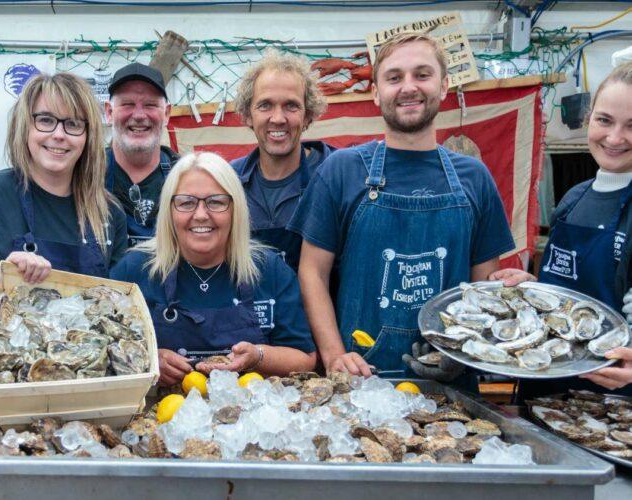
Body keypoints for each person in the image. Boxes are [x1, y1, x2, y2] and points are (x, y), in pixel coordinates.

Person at [288, 33, 515, 380]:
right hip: (360, 379)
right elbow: (312, 273)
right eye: (394, 78)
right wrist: (334, 356)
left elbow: (482, 289)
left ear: (443, 86)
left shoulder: (475, 177)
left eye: (422, 75)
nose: (408, 87)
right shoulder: (342, 170)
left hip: (452, 385)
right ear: (377, 92)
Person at [0, 72, 128, 398]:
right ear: (24, 126)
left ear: (88, 136)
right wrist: (5, 279)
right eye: (45, 120)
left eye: (73, 124)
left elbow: (119, 312)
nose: (59, 135)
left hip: (77, 392)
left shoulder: (108, 214)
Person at [110, 151, 316, 386]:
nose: (200, 215)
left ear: (235, 209)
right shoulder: (134, 271)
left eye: (216, 202)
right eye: (186, 202)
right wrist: (150, 361)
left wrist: (259, 356)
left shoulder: (270, 270)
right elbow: (107, 350)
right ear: (169, 210)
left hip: (248, 414)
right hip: (160, 417)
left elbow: (305, 358)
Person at [492, 62, 632, 394]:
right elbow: (568, 295)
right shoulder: (573, 198)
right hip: (544, 380)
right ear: (588, 119)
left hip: (609, 397)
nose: (614, 137)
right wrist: (534, 289)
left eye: (631, 125)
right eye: (604, 120)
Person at [231, 49, 334, 271]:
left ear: (308, 116)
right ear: (248, 114)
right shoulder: (228, 182)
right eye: (265, 105)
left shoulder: (336, 174)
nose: (278, 118)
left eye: (291, 105)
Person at [105, 63, 179, 246]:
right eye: (127, 104)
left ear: (167, 114)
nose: (138, 115)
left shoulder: (186, 176)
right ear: (109, 112)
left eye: (150, 105)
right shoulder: (84, 173)